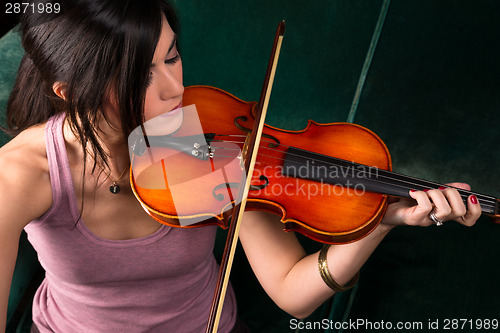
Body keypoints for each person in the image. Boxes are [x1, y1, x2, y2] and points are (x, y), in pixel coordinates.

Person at [0, 1, 482, 332]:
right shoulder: (24, 174)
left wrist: (379, 220)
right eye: (141, 77)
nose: (173, 89)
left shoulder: (190, 134)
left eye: (172, 57)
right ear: (70, 92)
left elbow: (293, 291)